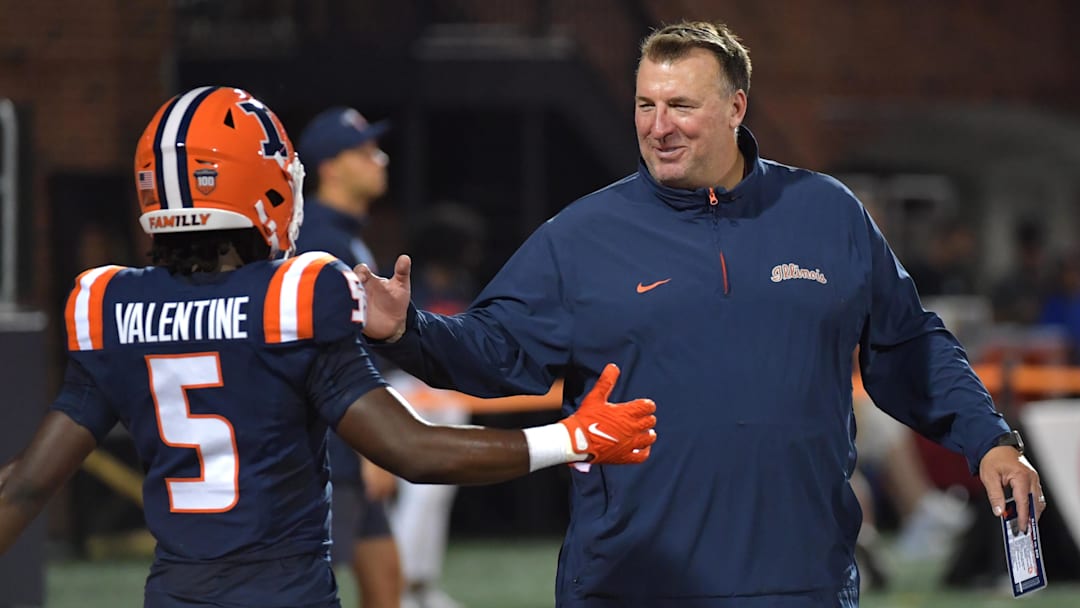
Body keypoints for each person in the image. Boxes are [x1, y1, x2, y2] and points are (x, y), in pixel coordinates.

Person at [356, 21, 1046, 607]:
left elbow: (910, 345)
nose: (658, 128)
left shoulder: (826, 214)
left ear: (736, 107)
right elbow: (497, 349)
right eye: (645, 104)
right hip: (634, 584)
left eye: (680, 105)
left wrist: (989, 439)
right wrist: (409, 331)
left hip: (801, 583)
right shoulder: (582, 236)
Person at [0, 86, 658, 608]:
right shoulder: (293, 296)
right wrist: (572, 438)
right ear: (261, 184)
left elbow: (26, 485)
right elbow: (414, 451)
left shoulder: (110, 304)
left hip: (174, 594)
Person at [293, 106, 403, 608]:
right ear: (331, 168)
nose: (379, 160)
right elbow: (333, 352)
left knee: (385, 579)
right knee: (318, 591)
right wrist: (370, 448)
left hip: (348, 434)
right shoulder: (321, 238)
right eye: (363, 152)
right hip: (335, 446)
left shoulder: (339, 230)